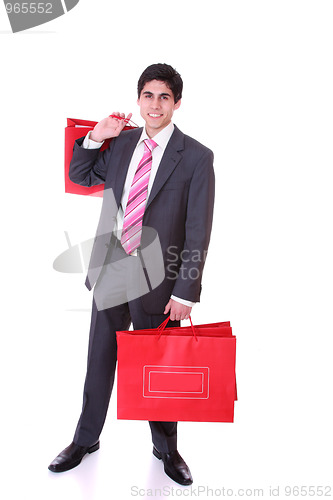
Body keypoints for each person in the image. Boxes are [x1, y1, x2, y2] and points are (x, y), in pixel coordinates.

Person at [48, 63, 215, 485]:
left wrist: (186, 291)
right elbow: (79, 174)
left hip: (161, 280)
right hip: (112, 268)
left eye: (164, 97)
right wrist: (95, 136)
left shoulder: (196, 157)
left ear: (177, 103)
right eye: (147, 95)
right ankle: (85, 439)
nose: (154, 104)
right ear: (138, 99)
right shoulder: (121, 145)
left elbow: (198, 230)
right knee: (99, 358)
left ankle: (166, 448)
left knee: (157, 368)